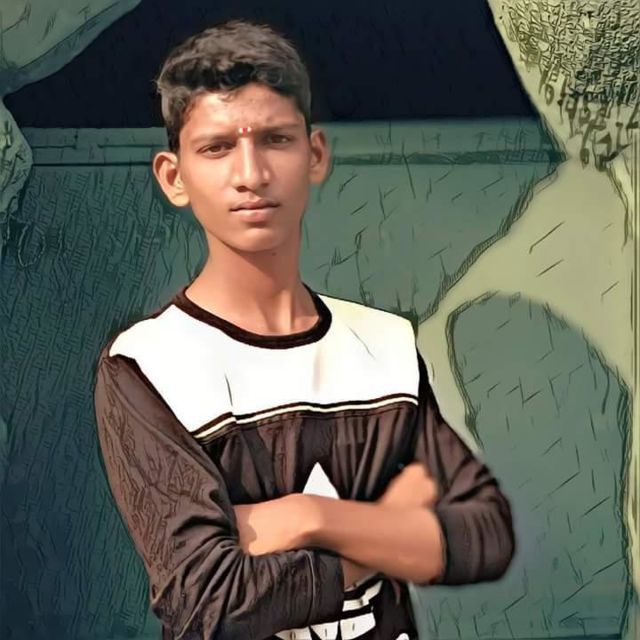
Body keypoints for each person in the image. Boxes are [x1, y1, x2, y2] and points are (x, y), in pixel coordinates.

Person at [93, 18, 515, 640]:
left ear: (314, 155)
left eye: (275, 140)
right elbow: (207, 602)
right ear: (173, 177)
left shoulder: (385, 345)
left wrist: (308, 516)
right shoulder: (148, 365)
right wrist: (389, 533)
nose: (251, 173)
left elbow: (484, 534)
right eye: (216, 148)